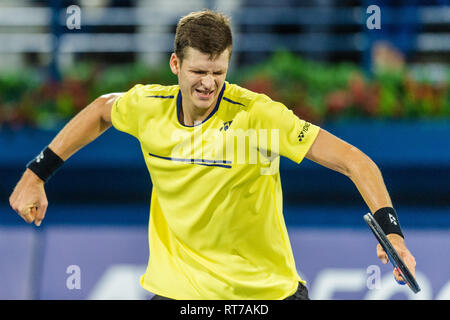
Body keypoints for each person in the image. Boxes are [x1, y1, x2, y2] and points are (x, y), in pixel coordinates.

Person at [9, 10, 416, 300]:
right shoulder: (148, 106)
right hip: (178, 294)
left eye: (218, 72)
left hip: (263, 295)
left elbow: (355, 161)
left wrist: (392, 230)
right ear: (175, 64)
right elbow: (101, 110)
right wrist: (37, 174)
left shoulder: (258, 115)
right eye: (198, 71)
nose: (209, 83)